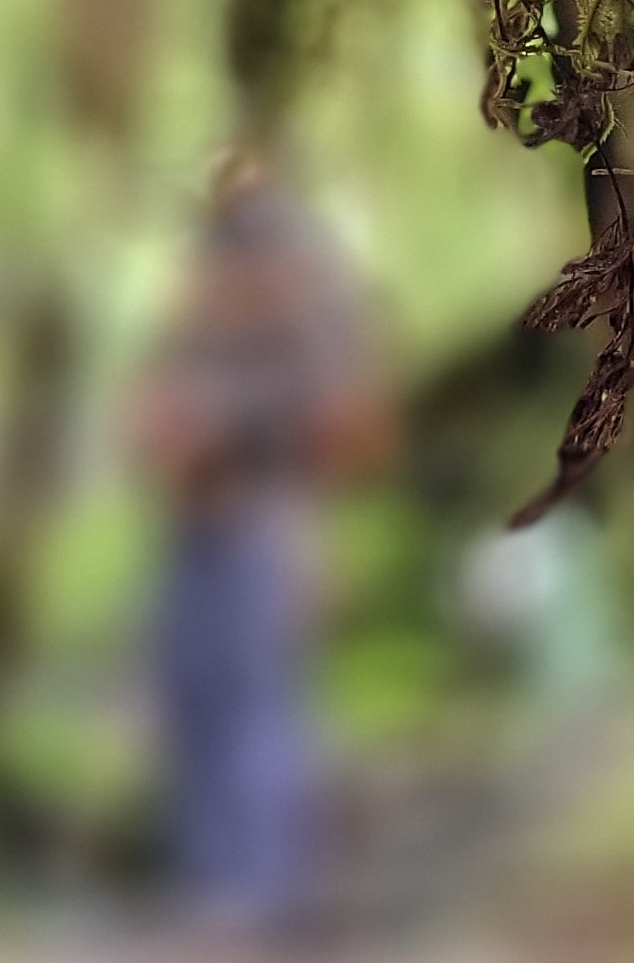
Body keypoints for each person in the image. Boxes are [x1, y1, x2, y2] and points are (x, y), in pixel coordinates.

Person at [128, 148, 392, 943]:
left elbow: (340, 412)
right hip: (194, 522)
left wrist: (240, 451)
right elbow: (163, 391)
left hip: (265, 511)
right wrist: (167, 435)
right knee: (190, 692)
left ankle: (272, 894)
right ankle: (221, 889)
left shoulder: (304, 286)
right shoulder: (207, 282)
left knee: (258, 701)